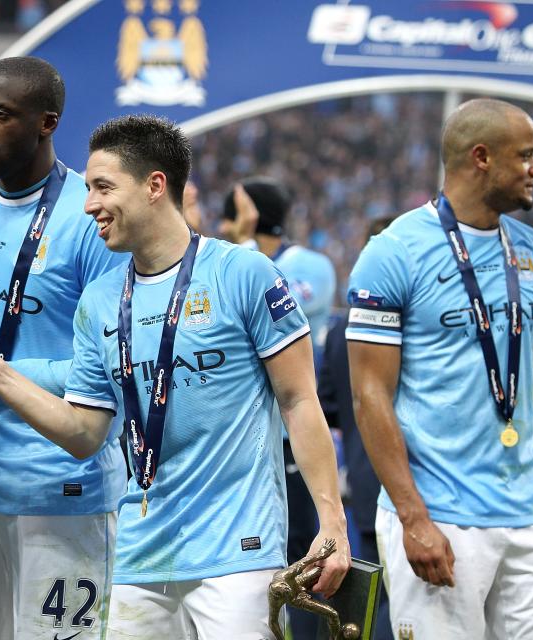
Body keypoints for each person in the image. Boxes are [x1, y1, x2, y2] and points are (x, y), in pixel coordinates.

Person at [0, 114, 350, 639]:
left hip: (238, 552)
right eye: (87, 189)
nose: (89, 205)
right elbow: (85, 433)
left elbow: (298, 401)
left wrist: (331, 523)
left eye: (103, 187)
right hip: (140, 552)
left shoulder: (244, 275)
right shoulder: (101, 302)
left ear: (156, 185)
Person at [347, 98, 533, 639]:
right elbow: (369, 395)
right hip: (440, 514)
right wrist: (412, 517)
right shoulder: (395, 251)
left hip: (528, 515)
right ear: (481, 157)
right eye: (526, 156)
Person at [0, 56, 127, 639]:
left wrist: (0, 370)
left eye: (1, 114)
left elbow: (108, 362)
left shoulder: (91, 217)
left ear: (47, 123)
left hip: (62, 485)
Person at [223, 176, 337, 638]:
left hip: (296, 436)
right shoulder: (232, 262)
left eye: (232, 212)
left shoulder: (311, 265)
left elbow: (274, 304)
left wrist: (246, 241)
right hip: (250, 437)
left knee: (303, 553)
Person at [318, 216, 396, 640]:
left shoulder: (338, 331)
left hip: (365, 483)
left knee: (372, 595)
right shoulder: (410, 321)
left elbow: (327, 406)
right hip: (410, 481)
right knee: (403, 599)